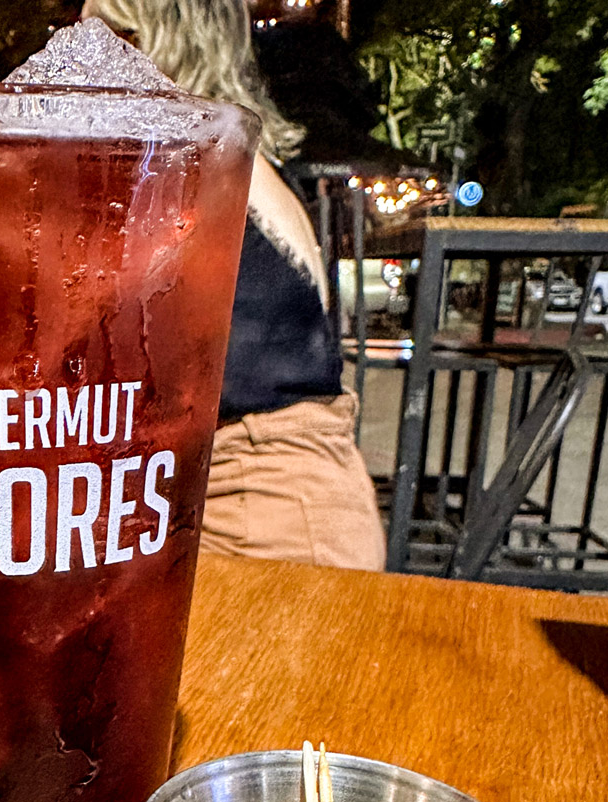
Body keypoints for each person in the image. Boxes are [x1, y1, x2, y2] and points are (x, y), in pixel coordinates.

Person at [82, 0, 385, 571]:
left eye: (108, 33)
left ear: (166, 47)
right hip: (279, 498)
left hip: (260, 512)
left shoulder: (192, 173)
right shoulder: (242, 166)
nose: (78, 53)